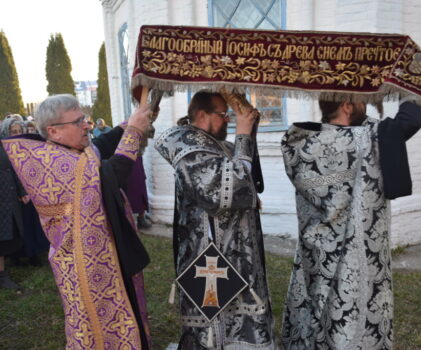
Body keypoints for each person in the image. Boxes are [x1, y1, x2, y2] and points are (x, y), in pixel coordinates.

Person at [2, 94, 152, 349]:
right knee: (99, 328)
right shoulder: (52, 163)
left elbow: (100, 147)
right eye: (79, 121)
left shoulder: (70, 150)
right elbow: (109, 176)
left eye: (85, 119)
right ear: (54, 131)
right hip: (85, 265)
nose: (87, 125)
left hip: (105, 253)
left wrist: (127, 125)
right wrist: (135, 131)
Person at [280, 97, 421, 350]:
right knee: (349, 316)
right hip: (354, 253)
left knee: (317, 309)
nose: (365, 105)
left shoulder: (302, 142)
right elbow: (411, 118)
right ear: (347, 105)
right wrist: (407, 81)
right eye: (362, 101)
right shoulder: (362, 141)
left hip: (317, 253)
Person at [155, 90, 275, 349]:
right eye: (223, 114)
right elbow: (222, 194)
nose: (229, 120)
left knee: (240, 316)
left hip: (236, 250)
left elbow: (247, 182)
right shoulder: (188, 147)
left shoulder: (215, 143)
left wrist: (248, 134)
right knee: (214, 323)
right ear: (201, 115)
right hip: (209, 254)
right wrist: (243, 133)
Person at [0, 122, 26, 289]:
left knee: (3, 239)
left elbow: (12, 169)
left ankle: (2, 276)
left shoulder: (3, 144)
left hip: (6, 198)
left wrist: (21, 191)